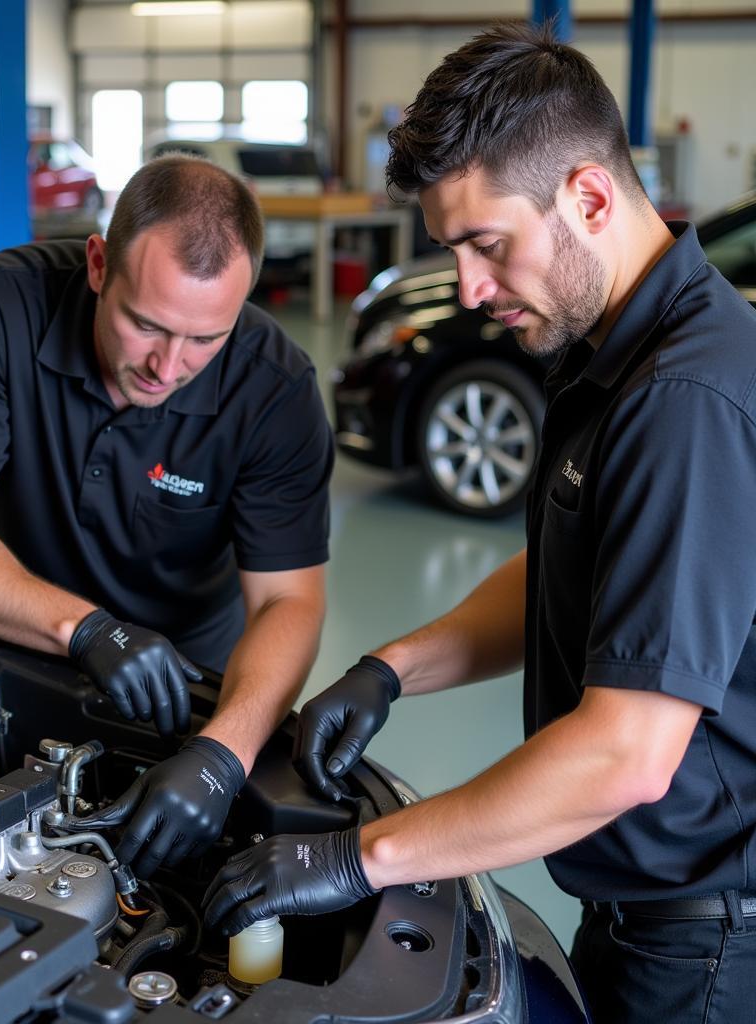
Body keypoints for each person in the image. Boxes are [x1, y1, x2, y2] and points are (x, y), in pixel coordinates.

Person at [203, 23, 756, 1022]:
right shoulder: (606, 348)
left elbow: (624, 753)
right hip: (640, 907)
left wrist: (358, 858)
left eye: (485, 243)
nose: (468, 287)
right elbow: (566, 566)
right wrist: (391, 670)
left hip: (705, 939)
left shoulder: (686, 400)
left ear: (586, 195)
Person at [0, 155, 333, 879]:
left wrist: (224, 754)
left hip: (186, 694)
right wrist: (86, 628)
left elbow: (290, 600)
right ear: (99, 265)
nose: (169, 365)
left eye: (206, 339)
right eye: (146, 324)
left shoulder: (273, 390)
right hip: (16, 649)